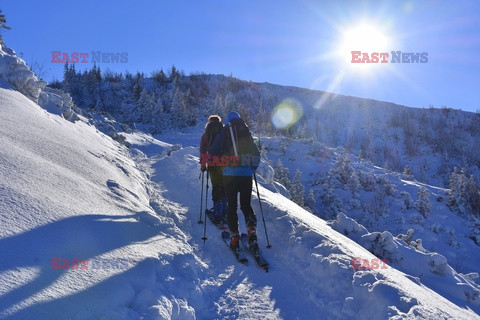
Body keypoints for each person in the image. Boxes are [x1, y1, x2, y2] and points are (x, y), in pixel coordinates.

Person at [210, 111, 260, 251]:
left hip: (229, 175)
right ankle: (252, 232)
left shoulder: (224, 132)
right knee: (246, 205)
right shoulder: (247, 132)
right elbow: (256, 154)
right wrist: (251, 168)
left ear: (227, 121)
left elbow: (213, 153)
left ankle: (234, 237)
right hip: (246, 175)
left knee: (232, 207)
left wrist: (221, 166)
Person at [200, 115, 227, 224]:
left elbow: (203, 150)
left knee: (216, 186)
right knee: (225, 186)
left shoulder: (206, 134)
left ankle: (217, 213)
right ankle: (225, 210)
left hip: (212, 162)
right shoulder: (225, 132)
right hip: (225, 162)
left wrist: (203, 165)